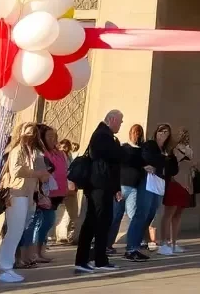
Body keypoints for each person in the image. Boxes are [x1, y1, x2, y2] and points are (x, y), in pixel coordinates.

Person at [0, 120, 50, 283]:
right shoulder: (17, 150)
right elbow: (17, 170)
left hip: (28, 195)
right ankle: (5, 267)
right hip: (17, 193)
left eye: (33, 132)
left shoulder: (33, 151)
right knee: (14, 231)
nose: (30, 136)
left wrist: (40, 190)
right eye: (27, 132)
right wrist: (37, 173)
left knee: (19, 231)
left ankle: (8, 266)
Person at [74, 109, 123, 274]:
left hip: (106, 186)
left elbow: (114, 164)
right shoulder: (101, 135)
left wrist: (116, 188)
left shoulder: (107, 135)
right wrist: (123, 151)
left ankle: (100, 259)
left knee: (104, 222)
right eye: (120, 121)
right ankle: (82, 260)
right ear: (112, 119)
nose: (121, 124)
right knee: (93, 222)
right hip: (98, 186)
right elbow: (111, 156)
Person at [129, 124, 175, 260]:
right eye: (161, 131)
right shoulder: (150, 145)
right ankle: (131, 247)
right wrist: (163, 163)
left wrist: (159, 167)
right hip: (148, 183)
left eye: (166, 132)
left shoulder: (167, 150)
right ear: (156, 132)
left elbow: (173, 168)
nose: (163, 134)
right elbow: (147, 158)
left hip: (159, 185)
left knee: (150, 214)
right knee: (141, 213)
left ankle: (138, 244)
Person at [25, 126, 66, 266]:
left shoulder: (59, 153)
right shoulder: (42, 153)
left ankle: (40, 250)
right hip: (45, 193)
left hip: (58, 193)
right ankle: (35, 252)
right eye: (49, 136)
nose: (52, 139)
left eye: (54, 136)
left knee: (48, 222)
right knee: (44, 222)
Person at [107, 124, 145, 254]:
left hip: (134, 188)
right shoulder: (124, 148)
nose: (137, 135)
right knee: (116, 216)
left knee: (134, 216)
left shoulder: (142, 150)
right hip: (122, 186)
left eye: (139, 133)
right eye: (135, 132)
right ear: (130, 133)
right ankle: (108, 244)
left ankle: (133, 244)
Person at [160, 127, 196, 255]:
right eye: (181, 134)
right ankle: (163, 242)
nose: (184, 136)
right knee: (169, 213)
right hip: (175, 182)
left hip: (186, 184)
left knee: (178, 215)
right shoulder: (173, 149)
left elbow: (193, 163)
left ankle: (174, 243)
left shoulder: (189, 149)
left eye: (186, 134)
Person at [54, 139, 80, 244]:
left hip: (70, 188)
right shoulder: (56, 157)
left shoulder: (70, 158)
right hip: (60, 188)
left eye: (66, 147)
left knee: (72, 213)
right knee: (61, 213)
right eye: (62, 147)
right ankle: (61, 236)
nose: (63, 149)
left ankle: (71, 235)